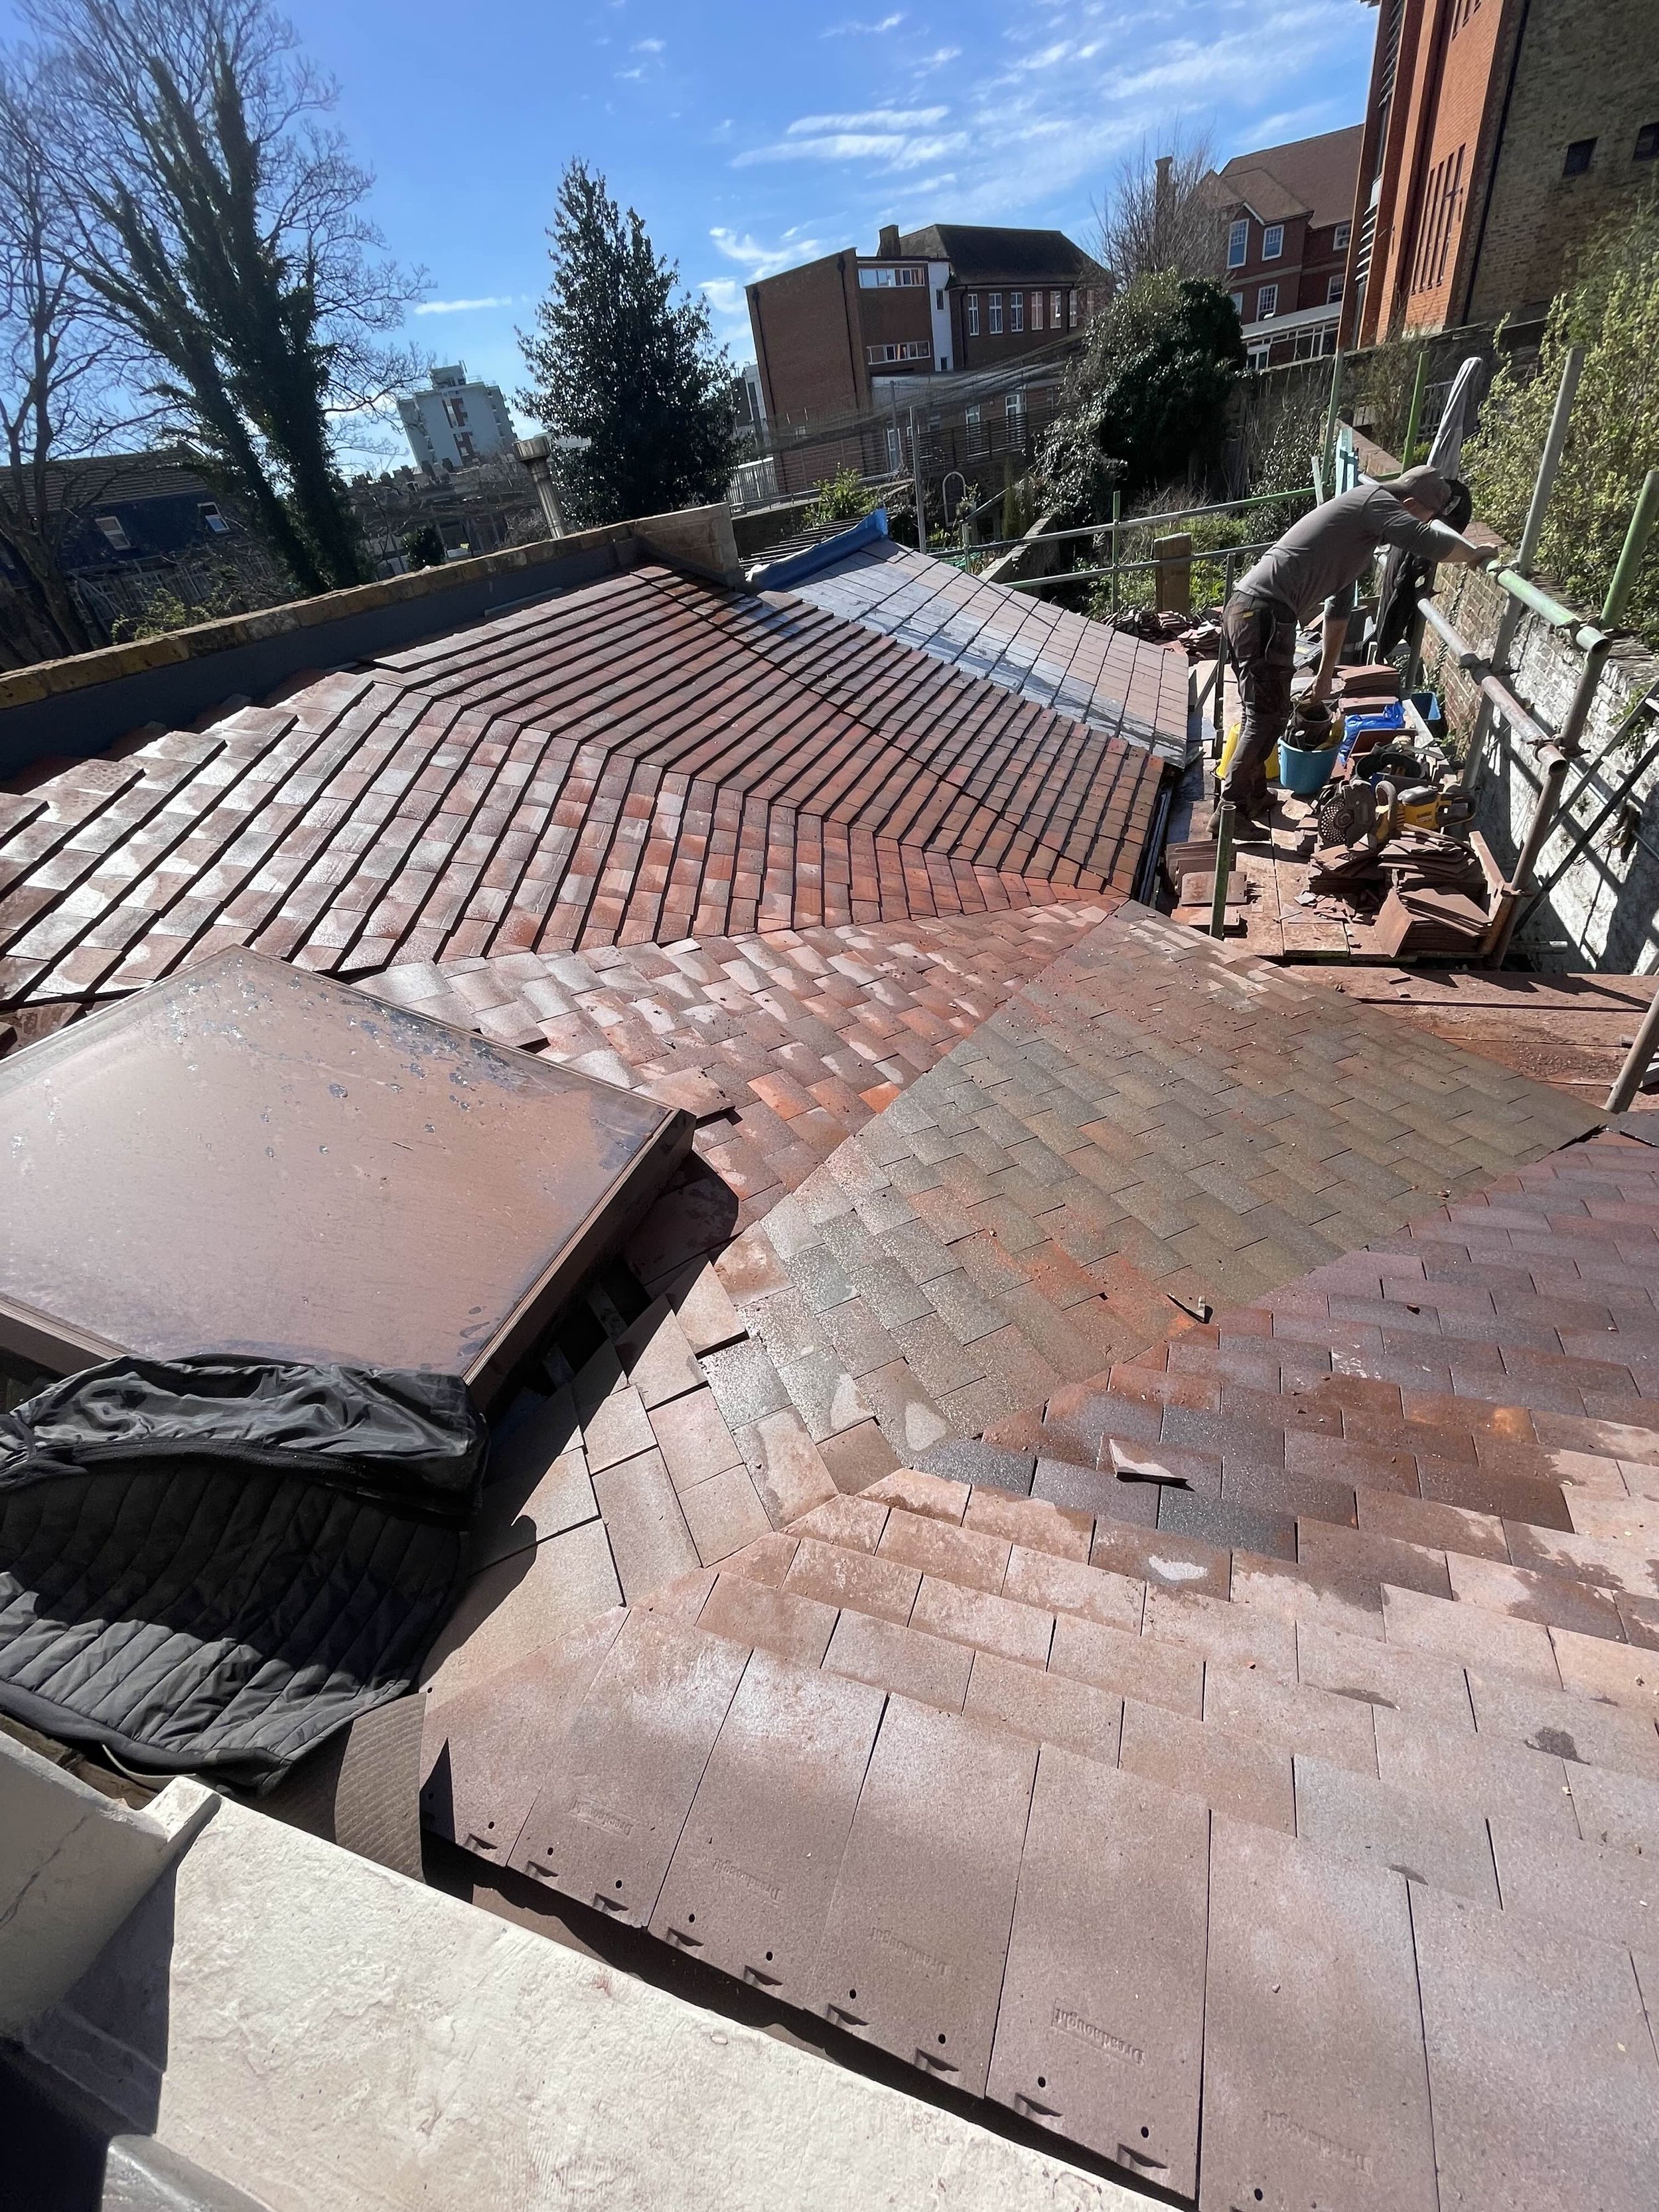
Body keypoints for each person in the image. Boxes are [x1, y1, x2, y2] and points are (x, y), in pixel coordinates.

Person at [1210, 465, 1492, 835]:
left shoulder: (1358, 537)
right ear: (1408, 505)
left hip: (1255, 611)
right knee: (1262, 716)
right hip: (1262, 613)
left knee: (1270, 713)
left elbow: (1338, 610)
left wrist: (1326, 675)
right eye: (1427, 516)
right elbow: (1430, 542)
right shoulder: (1375, 502)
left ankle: (1252, 795)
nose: (1425, 523)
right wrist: (1474, 554)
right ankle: (1228, 813)